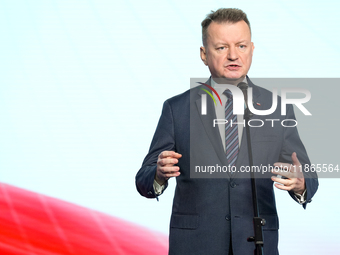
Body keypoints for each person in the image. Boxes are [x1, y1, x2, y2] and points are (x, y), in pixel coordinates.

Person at [135, 8, 318, 255]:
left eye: (241, 46)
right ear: (204, 54)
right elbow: (143, 179)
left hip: (256, 246)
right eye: (221, 47)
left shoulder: (277, 109)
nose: (233, 55)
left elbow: (309, 177)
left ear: (252, 49)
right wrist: (157, 175)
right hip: (195, 246)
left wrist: (300, 183)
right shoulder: (177, 109)